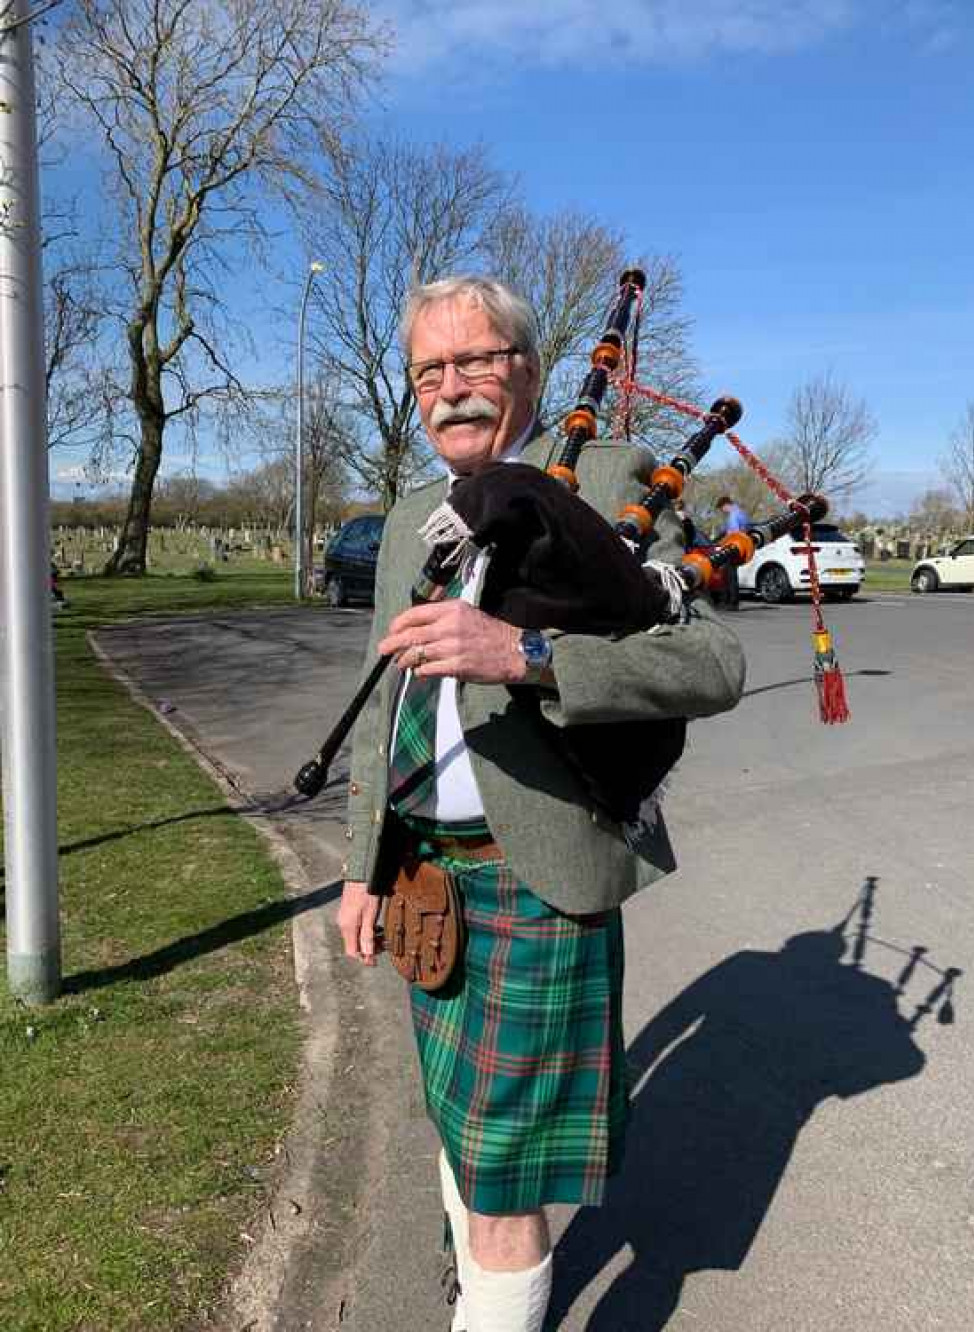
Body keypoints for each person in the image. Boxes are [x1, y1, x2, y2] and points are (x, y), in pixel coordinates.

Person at [337, 276, 746, 1332]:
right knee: (457, 1120)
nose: (451, 387)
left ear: (525, 366)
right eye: (430, 369)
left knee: (506, 1179)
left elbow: (710, 661)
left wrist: (524, 654)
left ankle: (489, 1291)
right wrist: (359, 866)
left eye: (475, 360)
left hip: (537, 876)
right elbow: (389, 709)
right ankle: (474, 1283)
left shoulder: (609, 478)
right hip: (425, 871)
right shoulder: (401, 527)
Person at [714, 494, 751, 610]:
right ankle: (730, 602)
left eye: (722, 509)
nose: (722, 511)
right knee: (731, 574)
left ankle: (731, 603)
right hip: (741, 547)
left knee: (728, 575)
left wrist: (720, 543)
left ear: (725, 505)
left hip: (733, 547)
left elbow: (733, 534)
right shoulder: (741, 513)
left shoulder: (733, 516)